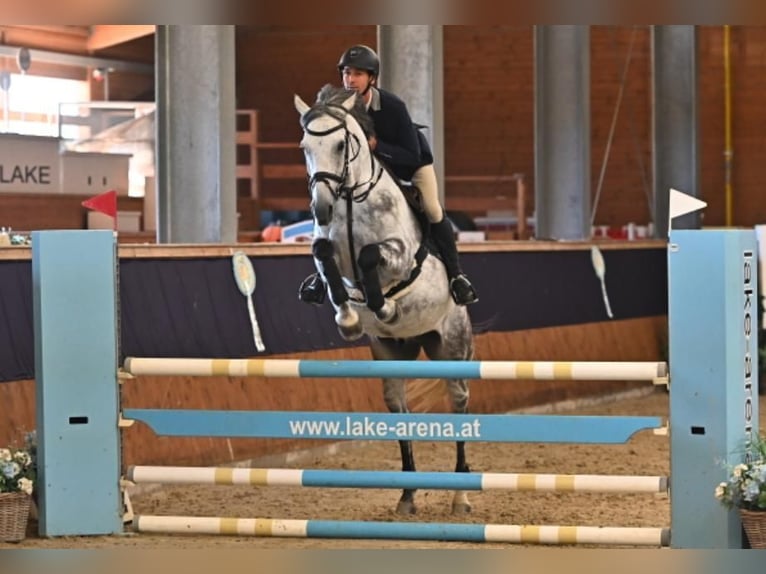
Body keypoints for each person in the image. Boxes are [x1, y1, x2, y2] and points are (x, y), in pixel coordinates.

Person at [299, 44, 479, 306]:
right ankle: (322, 274)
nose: (350, 80)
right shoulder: (340, 107)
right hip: (367, 175)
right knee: (331, 202)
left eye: (358, 74)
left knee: (431, 208)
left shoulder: (392, 106)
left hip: (409, 165)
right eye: (347, 73)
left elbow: (411, 154)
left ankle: (456, 276)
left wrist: (378, 147)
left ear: (372, 78)